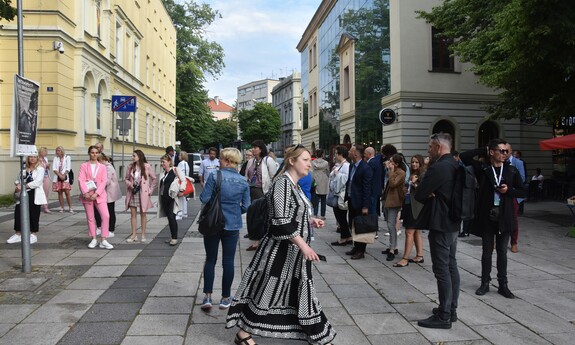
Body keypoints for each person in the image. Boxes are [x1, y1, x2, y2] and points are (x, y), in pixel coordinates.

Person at [226, 145, 336, 345]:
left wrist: (311, 221)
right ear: (292, 161)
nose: (309, 164)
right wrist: (304, 246)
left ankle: (316, 335)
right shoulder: (282, 184)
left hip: (292, 251)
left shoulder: (293, 184)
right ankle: (243, 333)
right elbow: (280, 221)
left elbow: (291, 214)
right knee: (267, 290)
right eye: (305, 160)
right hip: (279, 251)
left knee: (294, 291)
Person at [460, 139, 525, 299]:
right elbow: (464, 156)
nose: (505, 154)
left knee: (502, 251)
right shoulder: (483, 168)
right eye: (501, 151)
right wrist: (484, 148)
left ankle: (503, 284)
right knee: (487, 252)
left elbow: (523, 191)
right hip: (488, 215)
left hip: (504, 215)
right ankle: (485, 282)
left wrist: (508, 191)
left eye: (506, 151)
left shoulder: (511, 170)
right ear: (491, 152)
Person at [414, 133, 460, 329]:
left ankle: (444, 316)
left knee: (442, 269)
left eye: (430, 147)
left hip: (441, 223)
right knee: (451, 265)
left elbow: (421, 193)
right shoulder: (456, 164)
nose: (428, 150)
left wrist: (430, 193)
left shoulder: (439, 167)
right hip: (453, 222)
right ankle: (451, 309)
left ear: (439, 147)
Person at [199, 148, 250, 311]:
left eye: (221, 159)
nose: (218, 162)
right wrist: (234, 212)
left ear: (228, 161)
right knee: (228, 261)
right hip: (232, 224)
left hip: (213, 223)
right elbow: (246, 206)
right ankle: (225, 298)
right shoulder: (243, 181)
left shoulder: (215, 176)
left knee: (210, 259)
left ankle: (207, 297)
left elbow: (204, 198)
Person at [244, 140, 278, 251]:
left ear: (261, 149)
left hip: (263, 191)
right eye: (252, 147)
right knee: (253, 215)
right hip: (252, 191)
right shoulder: (251, 162)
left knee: (262, 216)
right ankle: (256, 238)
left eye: (255, 147)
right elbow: (246, 177)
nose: (253, 149)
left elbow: (274, 177)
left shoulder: (268, 160)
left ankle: (260, 240)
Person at [394, 155, 426, 267]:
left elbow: (424, 191)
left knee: (409, 232)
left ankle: (405, 258)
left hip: (416, 207)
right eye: (413, 162)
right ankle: (419, 255)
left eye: (417, 162)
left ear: (421, 163)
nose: (414, 164)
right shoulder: (413, 173)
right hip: (409, 205)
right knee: (416, 231)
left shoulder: (422, 174)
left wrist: (414, 183)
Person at [7, 155, 47, 244]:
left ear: (37, 159)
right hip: (23, 192)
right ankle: (18, 234)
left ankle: (33, 234)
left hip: (34, 193)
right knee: (18, 212)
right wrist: (18, 185)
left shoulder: (40, 169)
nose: (32, 159)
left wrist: (24, 186)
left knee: (33, 213)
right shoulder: (24, 169)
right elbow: (18, 179)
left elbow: (38, 182)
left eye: (34, 157)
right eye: (30, 157)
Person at [79, 146, 113, 249]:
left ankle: (104, 239)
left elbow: (104, 181)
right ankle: (93, 238)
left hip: (99, 195)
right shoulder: (84, 166)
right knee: (90, 217)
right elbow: (81, 179)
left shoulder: (102, 167)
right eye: (92, 152)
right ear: (89, 153)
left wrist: (97, 193)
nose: (94, 154)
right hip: (87, 195)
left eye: (96, 152)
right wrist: (85, 192)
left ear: (98, 154)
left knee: (106, 216)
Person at [344, 144, 373, 260]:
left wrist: (365, 206)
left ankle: (361, 250)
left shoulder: (365, 168)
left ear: (356, 154)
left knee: (361, 226)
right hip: (352, 200)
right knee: (353, 224)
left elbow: (367, 188)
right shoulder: (352, 166)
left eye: (351, 151)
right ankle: (356, 247)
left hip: (360, 203)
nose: (349, 152)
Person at [125, 150, 156, 243]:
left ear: (139, 156)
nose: (132, 157)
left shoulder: (147, 166)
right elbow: (126, 179)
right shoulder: (130, 167)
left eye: (134, 156)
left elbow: (154, 179)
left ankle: (143, 235)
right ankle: (134, 235)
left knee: (143, 214)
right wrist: (130, 184)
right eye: (132, 155)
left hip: (143, 193)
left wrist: (150, 190)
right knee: (133, 215)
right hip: (133, 192)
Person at [157, 155, 187, 245]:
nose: (162, 164)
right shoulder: (163, 173)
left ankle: (174, 238)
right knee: (169, 218)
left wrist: (182, 190)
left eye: (164, 162)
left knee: (171, 216)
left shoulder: (175, 170)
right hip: (164, 198)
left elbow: (183, 180)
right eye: (161, 162)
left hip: (173, 198)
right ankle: (172, 236)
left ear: (169, 162)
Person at [382, 154, 406, 261]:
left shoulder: (401, 173)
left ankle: (392, 248)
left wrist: (391, 171)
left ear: (396, 164)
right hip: (388, 200)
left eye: (391, 162)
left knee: (391, 225)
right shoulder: (393, 171)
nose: (389, 163)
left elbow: (392, 184)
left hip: (394, 202)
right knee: (389, 223)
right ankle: (392, 246)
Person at [329, 145, 351, 246]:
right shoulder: (340, 164)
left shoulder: (346, 165)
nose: (335, 155)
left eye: (336, 153)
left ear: (340, 154)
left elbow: (346, 179)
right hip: (337, 193)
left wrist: (337, 173)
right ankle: (346, 236)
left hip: (341, 194)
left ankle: (344, 237)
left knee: (341, 216)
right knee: (340, 216)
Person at [506, 143, 525, 252]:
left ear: (511, 151)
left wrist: (510, 190)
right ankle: (496, 239)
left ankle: (514, 242)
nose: (504, 153)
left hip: (513, 196)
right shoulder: (499, 162)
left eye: (506, 151)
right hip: (500, 195)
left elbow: (522, 179)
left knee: (514, 219)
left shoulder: (518, 163)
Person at [98, 153, 122, 237]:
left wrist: (97, 184)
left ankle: (111, 230)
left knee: (110, 211)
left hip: (110, 193)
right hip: (106, 193)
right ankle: (104, 228)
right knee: (105, 211)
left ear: (102, 160)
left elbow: (107, 181)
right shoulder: (105, 167)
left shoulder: (108, 167)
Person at [52, 146, 74, 213]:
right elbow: (54, 168)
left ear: (62, 151)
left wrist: (63, 175)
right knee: (60, 192)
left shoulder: (67, 157)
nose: (58, 152)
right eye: (57, 150)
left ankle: (70, 207)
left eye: (59, 150)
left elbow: (68, 168)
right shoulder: (55, 158)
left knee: (67, 192)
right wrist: (59, 175)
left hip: (65, 177)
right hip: (57, 177)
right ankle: (62, 207)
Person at [311, 149, 330, 219]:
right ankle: (322, 215)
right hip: (323, 181)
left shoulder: (313, 162)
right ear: (322, 154)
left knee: (316, 199)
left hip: (316, 181)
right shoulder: (326, 163)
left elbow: (311, 171)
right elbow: (328, 172)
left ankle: (315, 214)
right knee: (323, 199)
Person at [365, 147, 383, 216]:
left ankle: (373, 224)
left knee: (372, 209)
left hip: (372, 190)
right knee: (373, 208)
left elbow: (369, 177)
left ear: (369, 154)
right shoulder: (376, 162)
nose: (364, 155)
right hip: (376, 189)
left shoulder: (371, 163)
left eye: (365, 153)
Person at [177, 151, 191, 219]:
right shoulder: (186, 163)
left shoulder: (180, 164)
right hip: (186, 181)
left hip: (181, 182)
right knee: (185, 198)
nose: (178, 156)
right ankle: (184, 212)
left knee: (180, 197)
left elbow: (178, 173)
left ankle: (180, 213)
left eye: (179, 155)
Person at [38, 147, 52, 213]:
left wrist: (48, 166)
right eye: (45, 152)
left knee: (46, 192)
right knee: (39, 192)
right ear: (41, 152)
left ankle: (45, 207)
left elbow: (47, 168)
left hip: (46, 176)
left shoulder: (45, 159)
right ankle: (39, 205)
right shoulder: (37, 159)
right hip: (40, 178)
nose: (46, 153)